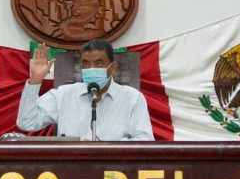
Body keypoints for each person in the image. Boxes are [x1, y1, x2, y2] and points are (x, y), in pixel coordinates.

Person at [17, 39, 154, 141]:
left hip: (114, 170)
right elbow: (27, 122)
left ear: (112, 68)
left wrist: (107, 148)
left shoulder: (133, 98)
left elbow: (145, 140)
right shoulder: (63, 95)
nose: (91, 68)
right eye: (86, 64)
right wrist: (35, 80)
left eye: (98, 63)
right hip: (71, 169)